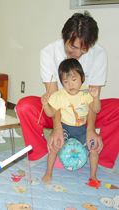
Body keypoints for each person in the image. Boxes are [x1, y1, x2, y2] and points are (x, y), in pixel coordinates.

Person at [16, 11, 119, 175]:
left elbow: (93, 99)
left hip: (84, 113)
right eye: (73, 47)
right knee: (25, 106)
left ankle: (104, 158)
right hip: (59, 112)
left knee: (117, 107)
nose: (77, 54)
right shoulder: (48, 53)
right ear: (64, 37)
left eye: (84, 49)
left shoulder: (99, 54)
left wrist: (91, 128)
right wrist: (57, 128)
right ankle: (40, 153)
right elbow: (54, 97)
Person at [41, 58, 101, 183]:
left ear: (82, 78)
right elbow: (50, 113)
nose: (70, 85)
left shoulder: (86, 93)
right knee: (55, 146)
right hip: (64, 127)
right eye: (66, 81)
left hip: (82, 129)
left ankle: (93, 176)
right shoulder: (59, 95)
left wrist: (95, 98)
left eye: (74, 80)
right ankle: (48, 172)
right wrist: (45, 104)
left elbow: (96, 109)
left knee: (94, 147)